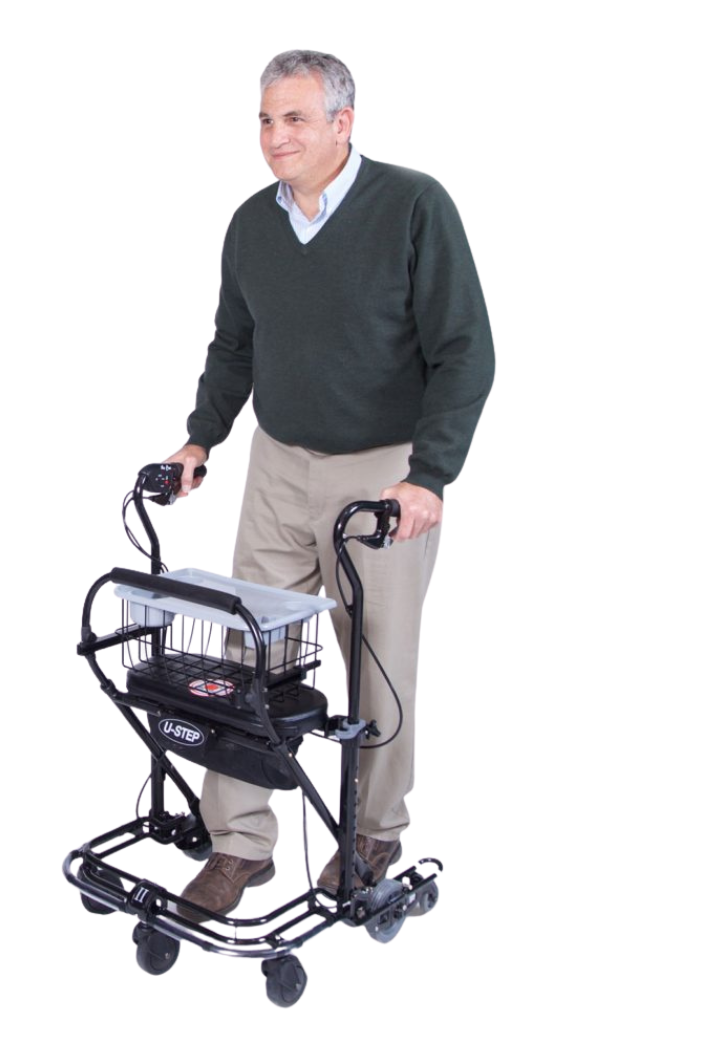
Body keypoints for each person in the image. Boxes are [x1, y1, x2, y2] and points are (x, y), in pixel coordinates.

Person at [164, 49, 494, 920]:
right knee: (249, 651)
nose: (276, 137)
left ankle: (375, 828)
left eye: (296, 119)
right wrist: (201, 438)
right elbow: (234, 343)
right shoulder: (251, 225)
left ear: (343, 123)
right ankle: (239, 843)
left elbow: (466, 349)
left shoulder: (413, 206)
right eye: (266, 120)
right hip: (279, 460)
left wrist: (431, 476)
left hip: (384, 472)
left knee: (377, 659)